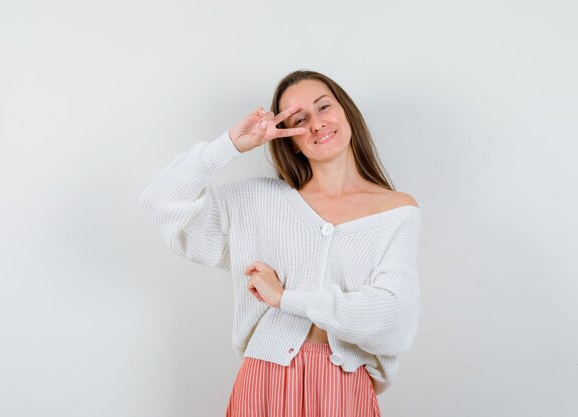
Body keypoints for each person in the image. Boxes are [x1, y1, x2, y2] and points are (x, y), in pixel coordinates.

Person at [139, 69, 422, 417]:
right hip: (264, 385)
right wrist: (231, 144)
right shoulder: (257, 202)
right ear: (289, 139)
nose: (317, 123)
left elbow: (394, 319)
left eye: (324, 107)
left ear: (346, 111)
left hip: (345, 389)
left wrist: (287, 299)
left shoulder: (396, 211)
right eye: (301, 119)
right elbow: (160, 201)